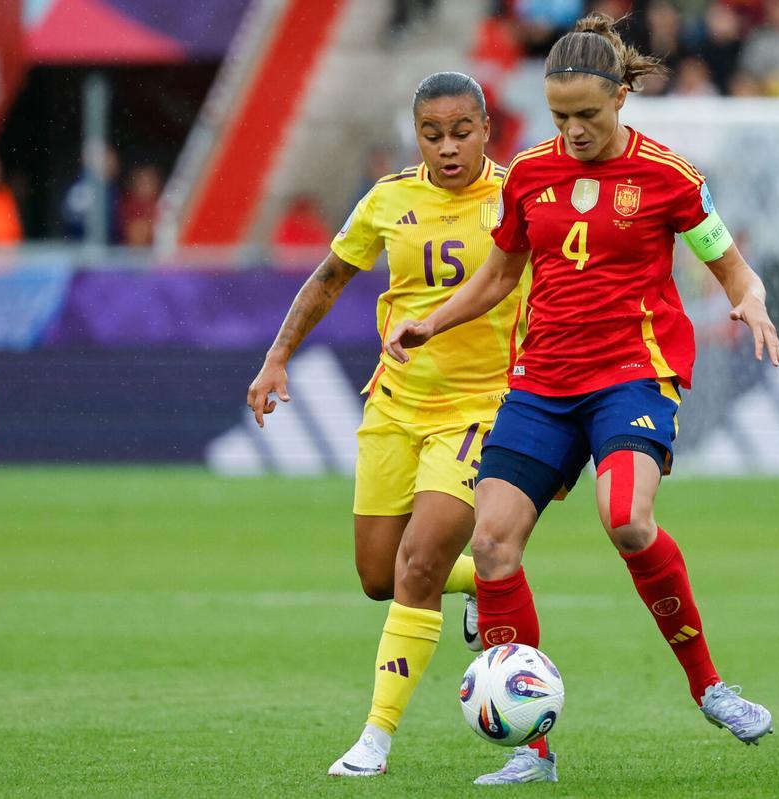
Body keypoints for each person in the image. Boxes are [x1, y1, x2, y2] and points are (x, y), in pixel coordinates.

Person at [385, 14, 779, 786]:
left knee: (628, 519)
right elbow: (500, 276)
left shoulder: (669, 175)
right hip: (542, 383)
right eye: (560, 115)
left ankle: (711, 687)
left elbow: (728, 262)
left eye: (587, 116)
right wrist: (431, 322)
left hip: (633, 374)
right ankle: (531, 750)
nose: (572, 130)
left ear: (622, 98)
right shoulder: (530, 174)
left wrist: (751, 299)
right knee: (495, 543)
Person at [246, 72, 527, 779]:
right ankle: (481, 584)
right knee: (379, 575)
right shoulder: (388, 199)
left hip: (477, 411)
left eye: (462, 131)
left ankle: (375, 737)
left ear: (486, 129)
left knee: (417, 562)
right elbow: (328, 279)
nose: (448, 147)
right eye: (432, 134)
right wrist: (277, 358)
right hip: (394, 405)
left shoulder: (517, 198)